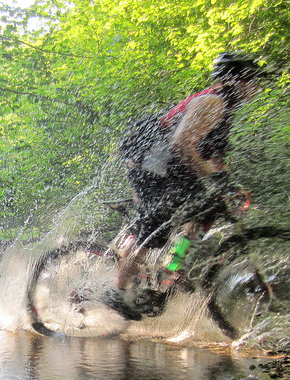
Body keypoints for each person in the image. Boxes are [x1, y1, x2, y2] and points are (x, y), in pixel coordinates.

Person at [103, 52, 265, 320]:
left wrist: (228, 185)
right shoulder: (213, 103)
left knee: (208, 210)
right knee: (154, 227)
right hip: (151, 166)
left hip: (170, 168)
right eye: (252, 81)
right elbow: (181, 144)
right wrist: (213, 178)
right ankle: (116, 290)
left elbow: (215, 156)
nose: (256, 87)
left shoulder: (227, 108)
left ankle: (172, 268)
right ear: (236, 81)